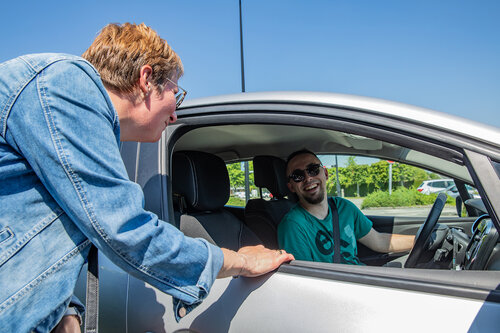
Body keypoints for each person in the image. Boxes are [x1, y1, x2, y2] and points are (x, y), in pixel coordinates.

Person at [0, 23, 293, 332]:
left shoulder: (73, 118)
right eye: (175, 95)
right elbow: (125, 230)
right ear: (146, 78)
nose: (175, 115)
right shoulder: (66, 85)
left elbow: (32, 227)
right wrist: (242, 261)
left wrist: (64, 310)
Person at [278, 149, 414, 264]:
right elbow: (306, 279)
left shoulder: (344, 207)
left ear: (325, 174)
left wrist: (419, 241)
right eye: (298, 176)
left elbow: (378, 241)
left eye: (313, 170)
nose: (308, 178)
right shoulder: (292, 226)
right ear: (291, 187)